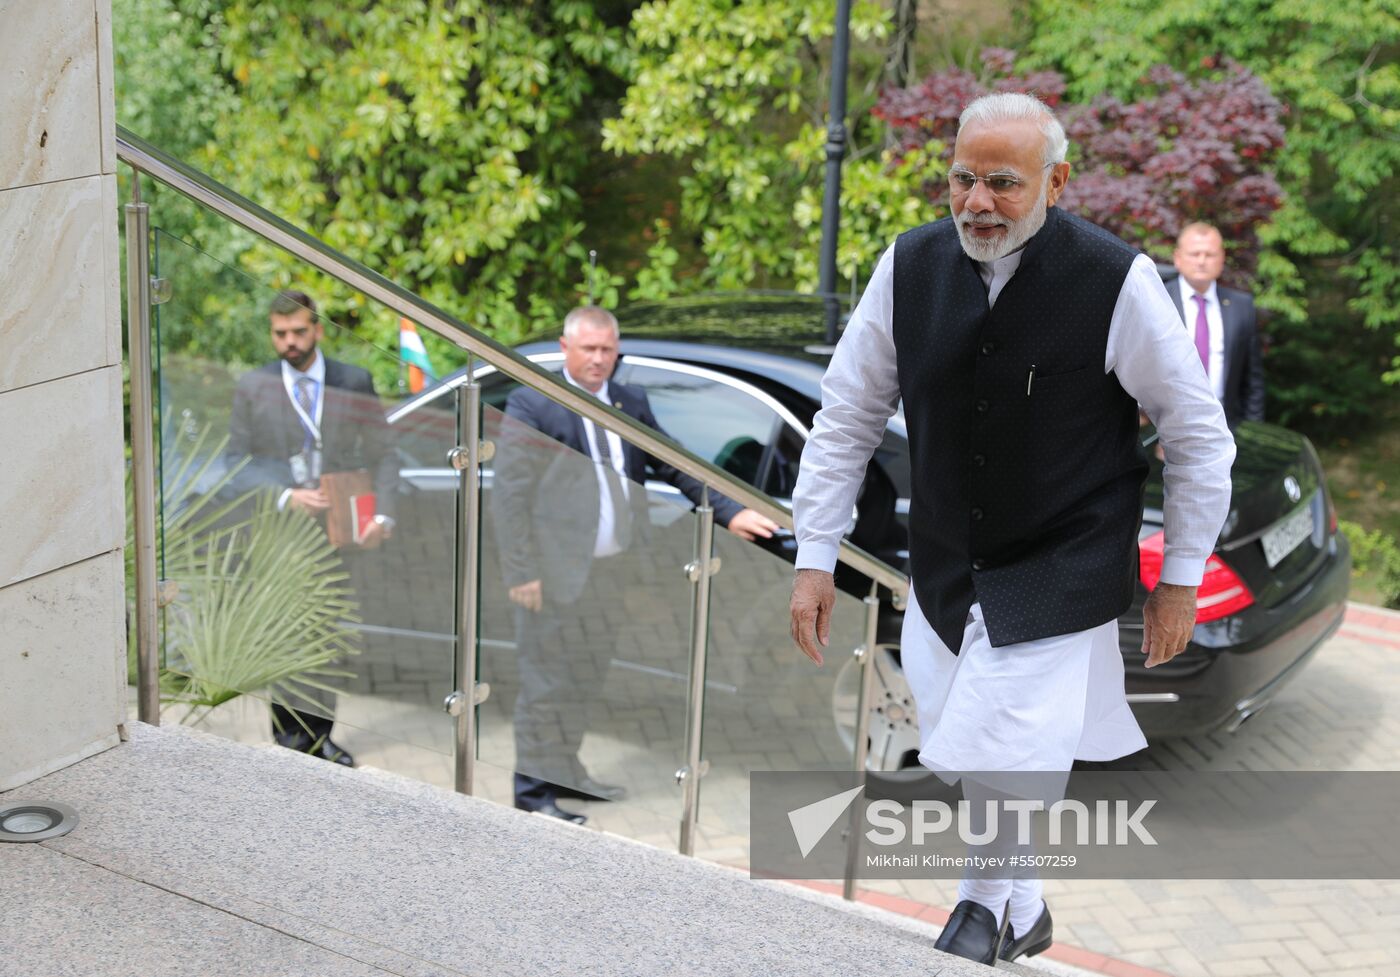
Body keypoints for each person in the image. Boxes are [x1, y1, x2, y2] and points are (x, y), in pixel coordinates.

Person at [789, 93, 1235, 964]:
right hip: (948, 564)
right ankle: (1025, 908)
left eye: (1003, 182)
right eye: (962, 179)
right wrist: (813, 555)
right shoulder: (908, 266)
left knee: (1009, 737)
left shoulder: (1117, 279)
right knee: (971, 743)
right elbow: (846, 413)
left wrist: (1181, 573)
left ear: (1056, 182)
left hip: (1065, 558)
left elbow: (1195, 431)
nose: (977, 202)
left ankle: (976, 916)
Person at [491, 306, 779, 824]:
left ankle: (566, 773)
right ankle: (533, 795)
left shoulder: (630, 401)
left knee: (584, 678)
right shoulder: (534, 403)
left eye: (607, 349)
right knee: (545, 685)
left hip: (611, 575)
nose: (599, 359)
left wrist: (730, 511)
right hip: (553, 577)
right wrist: (521, 572)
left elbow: (675, 460)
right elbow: (509, 495)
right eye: (588, 349)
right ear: (565, 348)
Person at [225, 290, 400, 766]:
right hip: (281, 536)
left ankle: (321, 738)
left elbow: (384, 454)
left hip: (340, 533)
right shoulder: (254, 386)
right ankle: (289, 743)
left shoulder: (353, 381)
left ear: (318, 330)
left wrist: (381, 515)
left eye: (299, 331)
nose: (290, 342)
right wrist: (286, 495)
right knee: (284, 636)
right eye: (280, 334)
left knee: (328, 640)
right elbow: (235, 464)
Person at [1166, 222, 1266, 426]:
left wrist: (1251, 430)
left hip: (1226, 424)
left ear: (1222, 258)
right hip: (1168, 425)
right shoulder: (1158, 301)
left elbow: (1253, 379)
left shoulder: (1241, 306)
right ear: (1178, 258)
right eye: (1194, 254)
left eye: (1210, 254)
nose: (1202, 261)